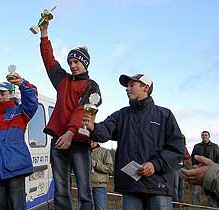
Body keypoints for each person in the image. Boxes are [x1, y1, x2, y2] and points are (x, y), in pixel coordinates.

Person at [83, 73, 185, 210]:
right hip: (130, 185)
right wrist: (93, 127)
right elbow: (104, 130)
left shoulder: (164, 115)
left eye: (132, 85)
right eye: (126, 86)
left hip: (158, 186)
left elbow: (177, 148)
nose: (127, 89)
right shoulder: (122, 115)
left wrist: (155, 164)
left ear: (145, 87)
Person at [39, 20, 102, 210]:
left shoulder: (92, 85)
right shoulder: (62, 80)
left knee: (84, 189)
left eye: (76, 62)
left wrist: (70, 132)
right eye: (70, 62)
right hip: (59, 139)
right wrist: (44, 34)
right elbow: (49, 60)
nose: (73, 65)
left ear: (85, 63)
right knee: (60, 189)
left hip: (79, 141)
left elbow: (83, 108)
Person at [0, 74, 38, 210]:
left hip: (15, 168)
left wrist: (22, 83)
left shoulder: (20, 112)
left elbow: (32, 101)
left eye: (2, 93)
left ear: (10, 94)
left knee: (17, 207)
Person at [190, 131, 219, 207]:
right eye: (203, 135)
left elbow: (218, 158)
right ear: (201, 136)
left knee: (211, 189)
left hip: (210, 171)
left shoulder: (215, 146)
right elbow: (193, 156)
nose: (204, 136)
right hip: (198, 169)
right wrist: (194, 165)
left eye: (206, 135)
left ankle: (212, 205)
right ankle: (196, 204)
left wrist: (215, 168)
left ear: (209, 136)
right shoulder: (197, 146)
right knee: (196, 188)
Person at [90, 140, 114, 210]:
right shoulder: (83, 152)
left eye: (93, 141)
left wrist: (96, 165)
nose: (91, 143)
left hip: (99, 186)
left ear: (97, 141)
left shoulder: (105, 152)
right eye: (90, 141)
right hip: (85, 187)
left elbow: (110, 169)